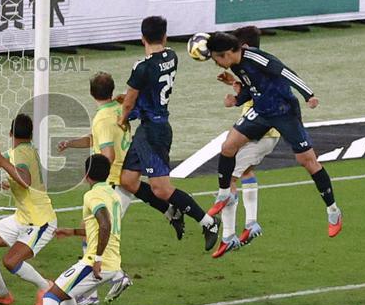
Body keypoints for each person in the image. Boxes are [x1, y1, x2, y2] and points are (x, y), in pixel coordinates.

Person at [205, 32, 343, 237]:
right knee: (228, 146)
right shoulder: (235, 65)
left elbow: (286, 72)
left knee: (307, 161)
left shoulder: (256, 58)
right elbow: (251, 88)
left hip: (283, 112)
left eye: (216, 59)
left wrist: (309, 95)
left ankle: (333, 210)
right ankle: (224, 194)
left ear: (225, 54)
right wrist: (236, 100)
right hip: (261, 112)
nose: (217, 64)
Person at [117, 16, 220, 251]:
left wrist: (123, 119)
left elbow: (129, 102)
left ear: (142, 38)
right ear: (164, 36)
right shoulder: (171, 56)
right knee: (128, 180)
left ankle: (208, 222)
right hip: (151, 127)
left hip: (154, 131)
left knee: (161, 188)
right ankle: (170, 210)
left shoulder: (141, 67)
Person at [23, 154, 121, 305]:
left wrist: (97, 258)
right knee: (66, 294)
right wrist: (74, 232)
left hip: (97, 263)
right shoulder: (112, 194)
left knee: (51, 296)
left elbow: (104, 225)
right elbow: (100, 226)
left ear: (86, 175)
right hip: (110, 261)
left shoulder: (92, 196)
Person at [56, 72, 133, 305]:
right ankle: (107, 283)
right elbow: (97, 139)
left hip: (111, 183)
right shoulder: (118, 109)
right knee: (94, 235)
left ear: (91, 93)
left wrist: (97, 178)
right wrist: (71, 143)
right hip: (122, 181)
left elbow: (107, 153)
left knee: (96, 235)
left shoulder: (102, 117)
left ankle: (99, 289)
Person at [0, 114, 57, 305]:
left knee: (11, 261)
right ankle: (2, 294)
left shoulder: (21, 154)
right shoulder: (22, 150)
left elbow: (24, 179)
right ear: (31, 134)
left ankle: (46, 287)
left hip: (40, 222)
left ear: (10, 133)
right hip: (22, 218)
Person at [209, 26, 280, 258]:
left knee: (229, 176)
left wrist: (235, 96)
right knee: (246, 171)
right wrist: (234, 83)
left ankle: (228, 236)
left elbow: (253, 93)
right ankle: (251, 224)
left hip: (260, 131)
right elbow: (252, 88)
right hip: (269, 132)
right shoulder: (257, 66)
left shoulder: (254, 67)